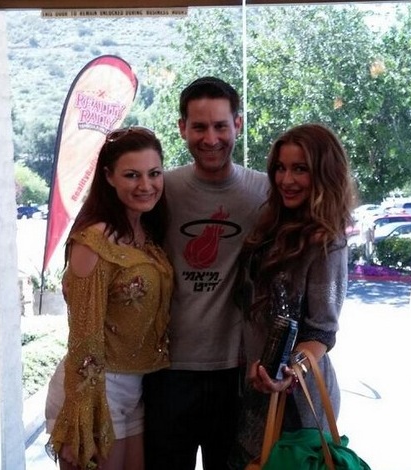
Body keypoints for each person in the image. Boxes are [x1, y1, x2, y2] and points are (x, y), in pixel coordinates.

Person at [143, 77, 269, 469]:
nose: (210, 138)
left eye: (220, 126)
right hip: (166, 369)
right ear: (182, 128)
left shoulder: (265, 192)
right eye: (199, 127)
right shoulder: (160, 189)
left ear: (238, 125)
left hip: (236, 372)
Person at [46, 127, 174, 470]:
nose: (145, 185)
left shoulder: (145, 231)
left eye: (154, 173)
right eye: (132, 175)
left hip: (135, 388)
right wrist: (79, 417)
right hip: (96, 389)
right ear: (108, 177)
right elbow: (83, 334)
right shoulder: (94, 240)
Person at [229, 123, 355, 469]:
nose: (286, 180)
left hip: (297, 400)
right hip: (254, 388)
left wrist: (287, 369)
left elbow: (321, 331)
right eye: (281, 168)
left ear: (324, 174)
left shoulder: (327, 241)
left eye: (300, 169)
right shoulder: (270, 223)